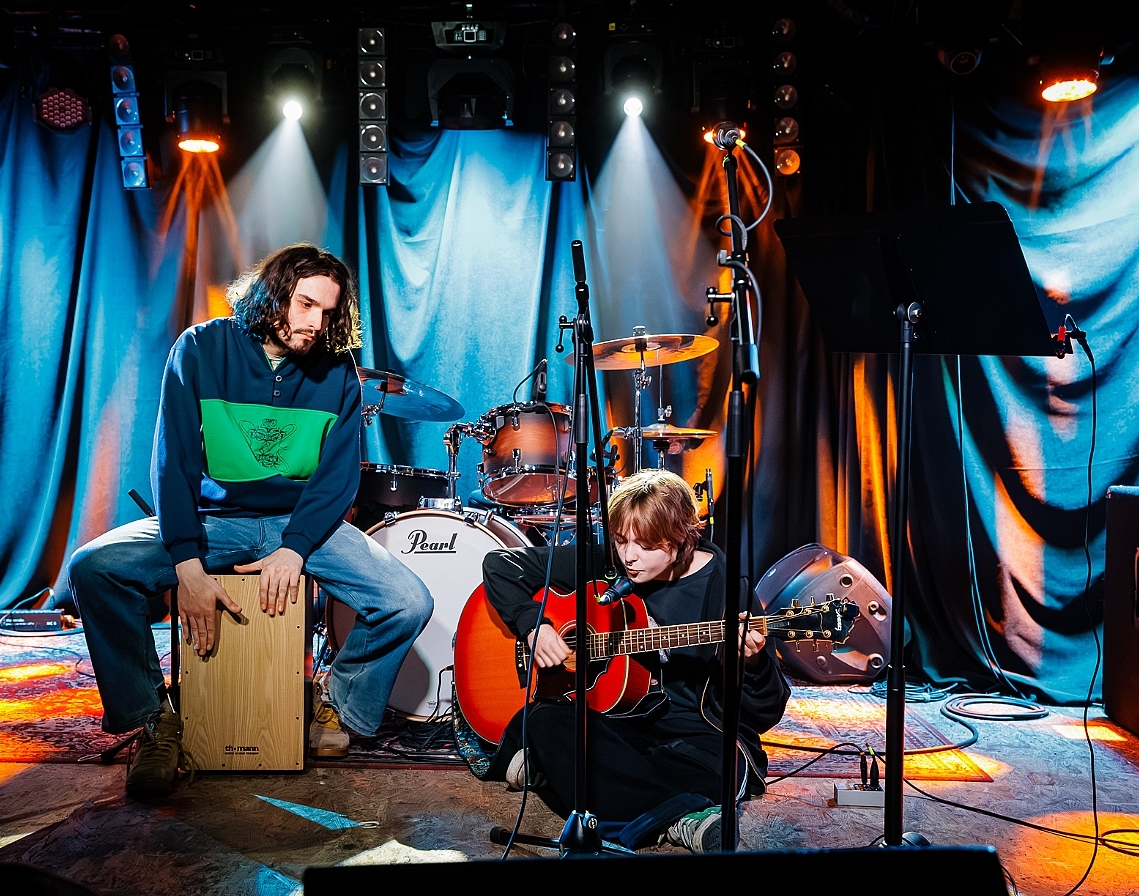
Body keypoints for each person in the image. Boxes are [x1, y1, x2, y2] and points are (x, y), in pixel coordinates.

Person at [69, 243, 434, 799]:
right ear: (273, 292)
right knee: (94, 568)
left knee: (408, 601)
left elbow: (337, 478)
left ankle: (334, 703)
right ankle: (153, 721)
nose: (316, 323)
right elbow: (173, 462)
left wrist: (294, 547)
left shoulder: (337, 371)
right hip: (216, 520)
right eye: (306, 304)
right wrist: (187, 566)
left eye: (327, 311)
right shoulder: (200, 348)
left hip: (301, 524)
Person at [480, 469, 789, 851]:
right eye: (622, 540)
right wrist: (534, 627)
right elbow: (501, 565)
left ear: (680, 539)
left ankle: (569, 778)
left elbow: (767, 712)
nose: (629, 556)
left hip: (699, 734)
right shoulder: (613, 562)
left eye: (645, 545)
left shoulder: (728, 589)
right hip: (622, 720)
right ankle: (682, 818)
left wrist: (753, 663)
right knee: (545, 719)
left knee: (717, 771)